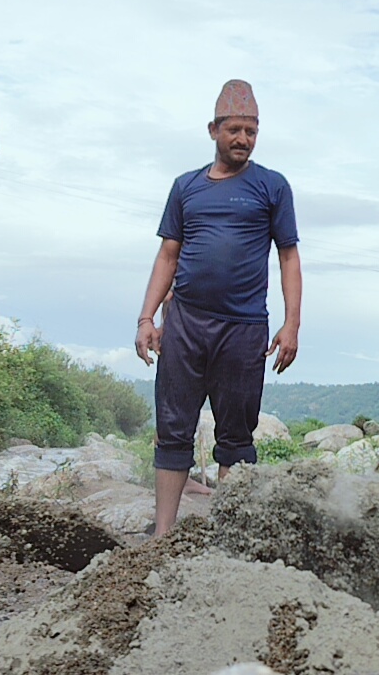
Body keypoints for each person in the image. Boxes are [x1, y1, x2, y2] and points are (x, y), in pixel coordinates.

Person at [134, 79, 302, 536]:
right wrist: (147, 317)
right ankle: (163, 534)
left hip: (244, 328)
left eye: (251, 131)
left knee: (236, 436)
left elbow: (288, 256)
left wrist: (292, 324)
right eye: (234, 130)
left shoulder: (272, 186)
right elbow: (168, 255)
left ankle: (226, 539)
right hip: (185, 322)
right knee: (174, 429)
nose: (243, 139)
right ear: (213, 130)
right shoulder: (185, 187)